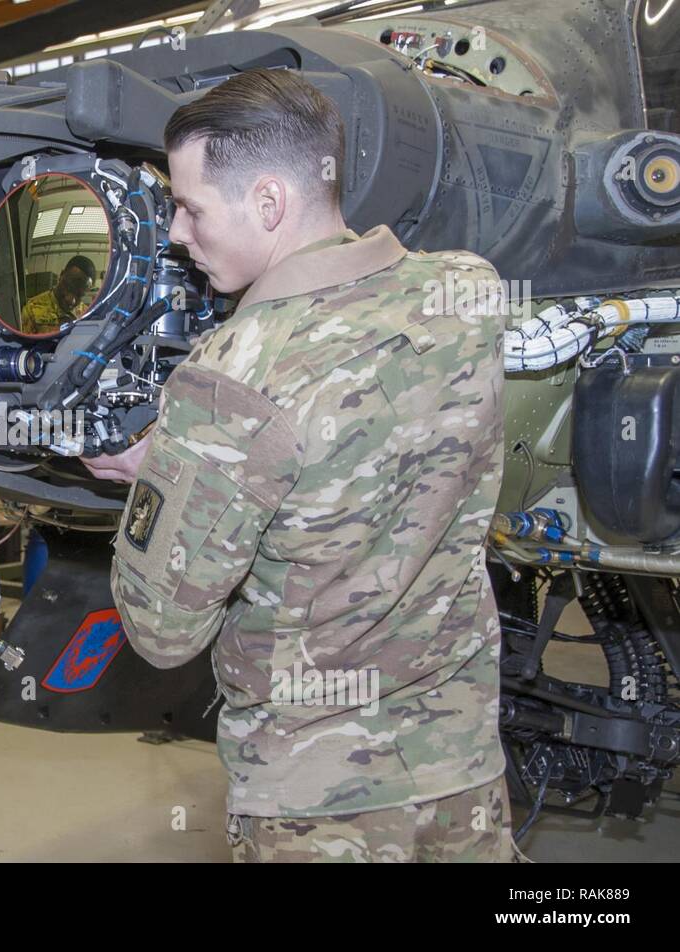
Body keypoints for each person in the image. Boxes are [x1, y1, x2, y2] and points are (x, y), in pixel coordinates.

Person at [85, 70, 514, 862]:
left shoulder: (229, 378)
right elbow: (370, 443)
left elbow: (160, 632)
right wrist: (192, 459)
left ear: (270, 203)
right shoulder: (469, 292)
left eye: (190, 206)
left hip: (316, 802)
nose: (177, 232)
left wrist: (165, 470)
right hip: (460, 765)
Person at [19, 254, 96, 334]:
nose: (71, 300)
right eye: (68, 288)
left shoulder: (86, 314)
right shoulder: (31, 309)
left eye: (79, 295)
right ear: (61, 275)